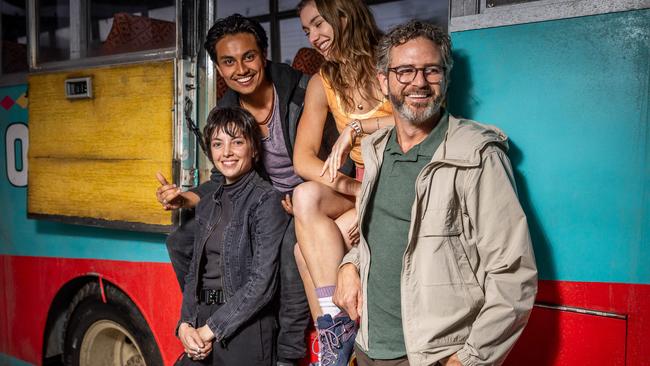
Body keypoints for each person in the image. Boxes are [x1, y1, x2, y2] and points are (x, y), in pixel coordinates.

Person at [334, 20, 538, 366]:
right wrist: (348, 265)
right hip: (367, 348)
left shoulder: (477, 155)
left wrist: (468, 360)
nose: (419, 82)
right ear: (383, 81)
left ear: (445, 78)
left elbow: (514, 273)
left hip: (431, 358)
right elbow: (383, 234)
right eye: (405, 71)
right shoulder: (376, 150)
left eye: (431, 70)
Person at [156, 14, 333, 366]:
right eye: (228, 61)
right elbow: (225, 180)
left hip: (308, 195)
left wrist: (304, 198)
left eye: (248, 57)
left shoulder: (300, 90)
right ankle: (211, 316)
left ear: (263, 55)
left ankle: (287, 354)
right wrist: (187, 197)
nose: (241, 69)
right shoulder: (226, 111)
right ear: (219, 69)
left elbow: (332, 158)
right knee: (179, 240)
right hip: (259, 198)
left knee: (288, 248)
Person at [176, 106, 289, 366]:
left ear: (254, 150)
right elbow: (194, 273)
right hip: (203, 320)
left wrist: (210, 330)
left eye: (237, 142)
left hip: (245, 328)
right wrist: (185, 325)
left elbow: (262, 284)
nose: (226, 152)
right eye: (218, 144)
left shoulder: (266, 201)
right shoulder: (207, 204)